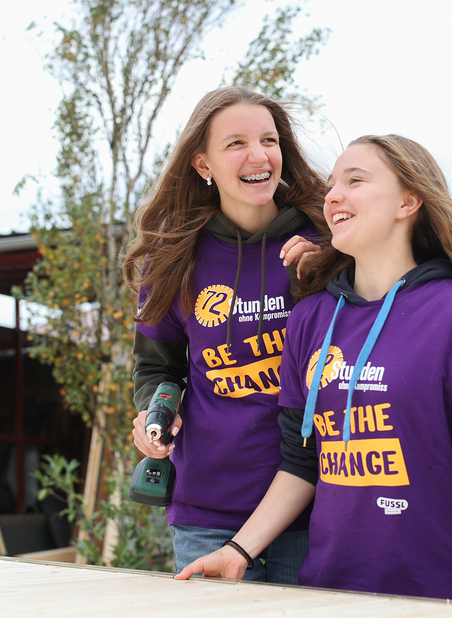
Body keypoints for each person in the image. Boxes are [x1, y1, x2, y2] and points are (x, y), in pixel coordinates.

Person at [176, 134, 452, 611]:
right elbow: (301, 462)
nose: (333, 196)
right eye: (331, 185)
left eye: (355, 181)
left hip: (437, 604)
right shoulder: (310, 320)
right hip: (326, 597)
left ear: (408, 201)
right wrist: (239, 550)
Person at [122, 86, 328, 584]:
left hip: (315, 504)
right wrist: (153, 414)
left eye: (269, 141)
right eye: (236, 143)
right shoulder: (172, 259)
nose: (259, 156)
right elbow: (157, 367)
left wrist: (330, 272)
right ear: (202, 164)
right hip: (208, 513)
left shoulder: (326, 243)